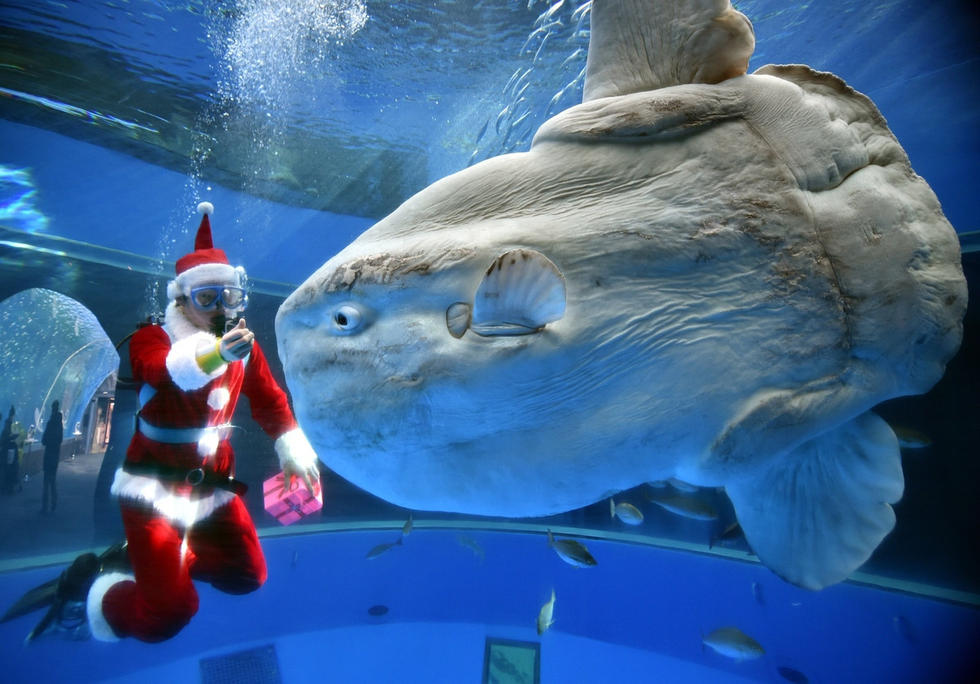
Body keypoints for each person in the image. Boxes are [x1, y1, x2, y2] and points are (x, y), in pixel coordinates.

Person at [76, 202, 319, 643]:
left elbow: (270, 401)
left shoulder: (244, 347)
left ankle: (170, 562)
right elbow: (162, 370)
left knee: (247, 576)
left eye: (229, 297)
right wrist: (218, 354)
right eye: (206, 298)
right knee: (169, 613)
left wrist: (292, 448)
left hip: (211, 486)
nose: (219, 309)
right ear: (181, 300)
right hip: (152, 489)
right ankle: (101, 595)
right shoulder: (154, 337)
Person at [41, 400, 64, 513]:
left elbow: (44, 440)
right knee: (53, 480)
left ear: (52, 408)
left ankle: (44, 506)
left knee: (46, 481)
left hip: (48, 454)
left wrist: (48, 441)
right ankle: (54, 502)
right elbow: (60, 440)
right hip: (55, 456)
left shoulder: (50, 423)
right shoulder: (60, 425)